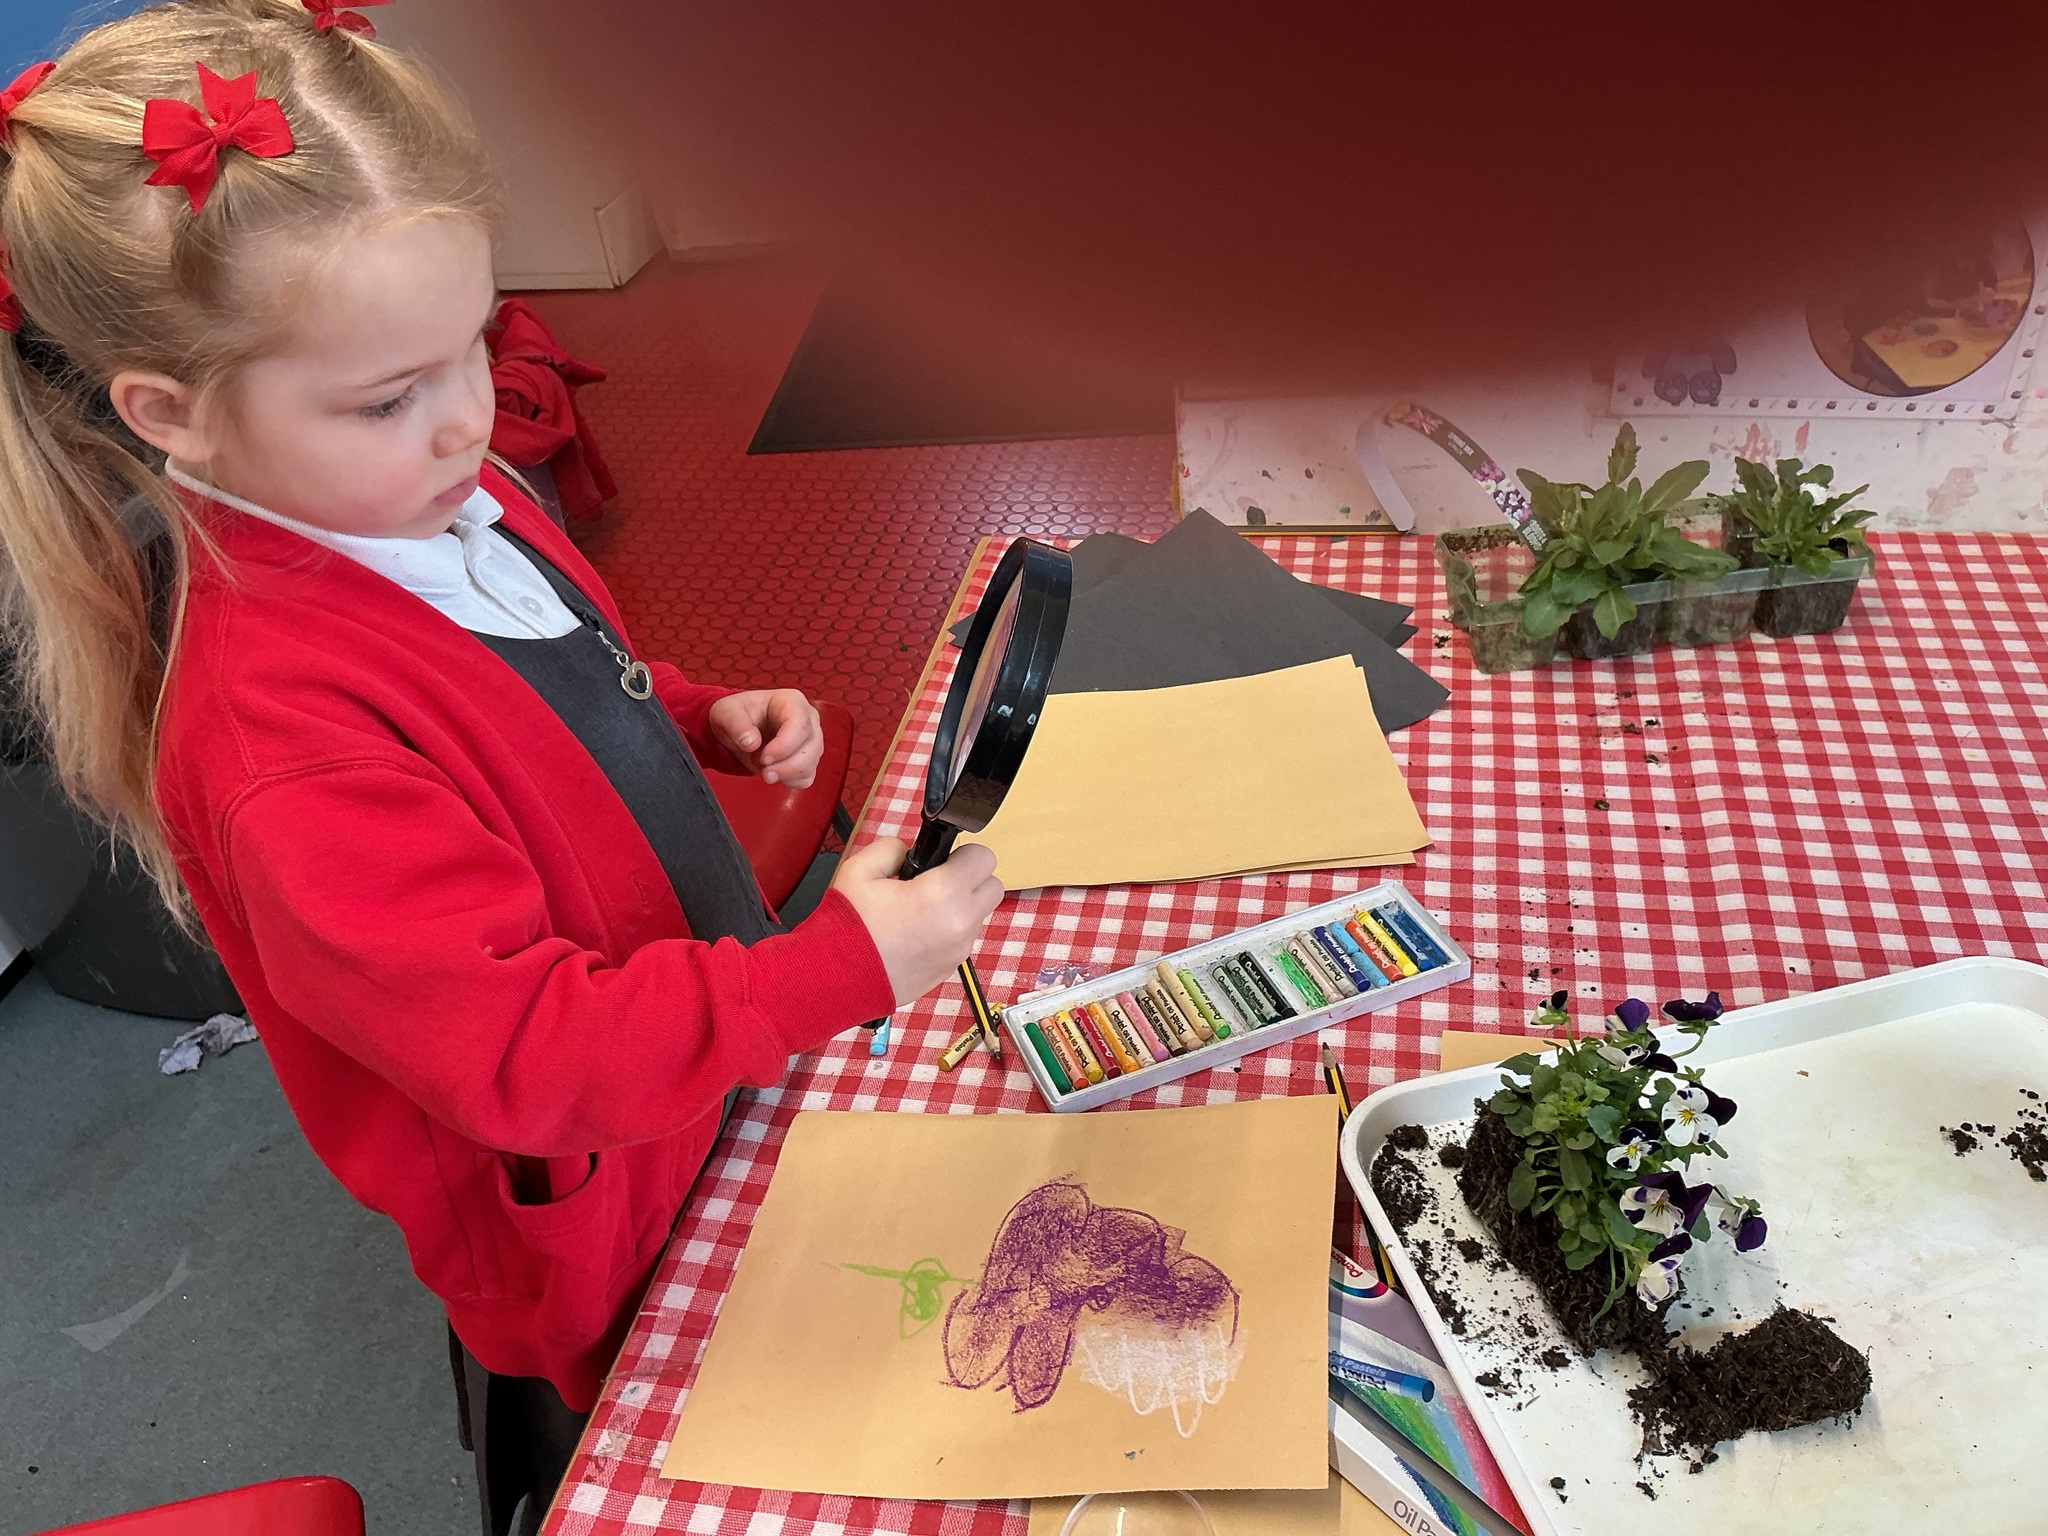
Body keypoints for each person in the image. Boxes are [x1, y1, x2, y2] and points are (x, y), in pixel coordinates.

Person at [0, 4, 1001, 1531]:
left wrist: (689, 710)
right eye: (388, 395)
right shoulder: (283, 742)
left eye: (476, 339)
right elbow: (528, 1057)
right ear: (171, 417)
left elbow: (535, 667)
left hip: (702, 1065)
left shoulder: (431, 496)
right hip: (599, 1213)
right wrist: (838, 970)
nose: (470, 417)